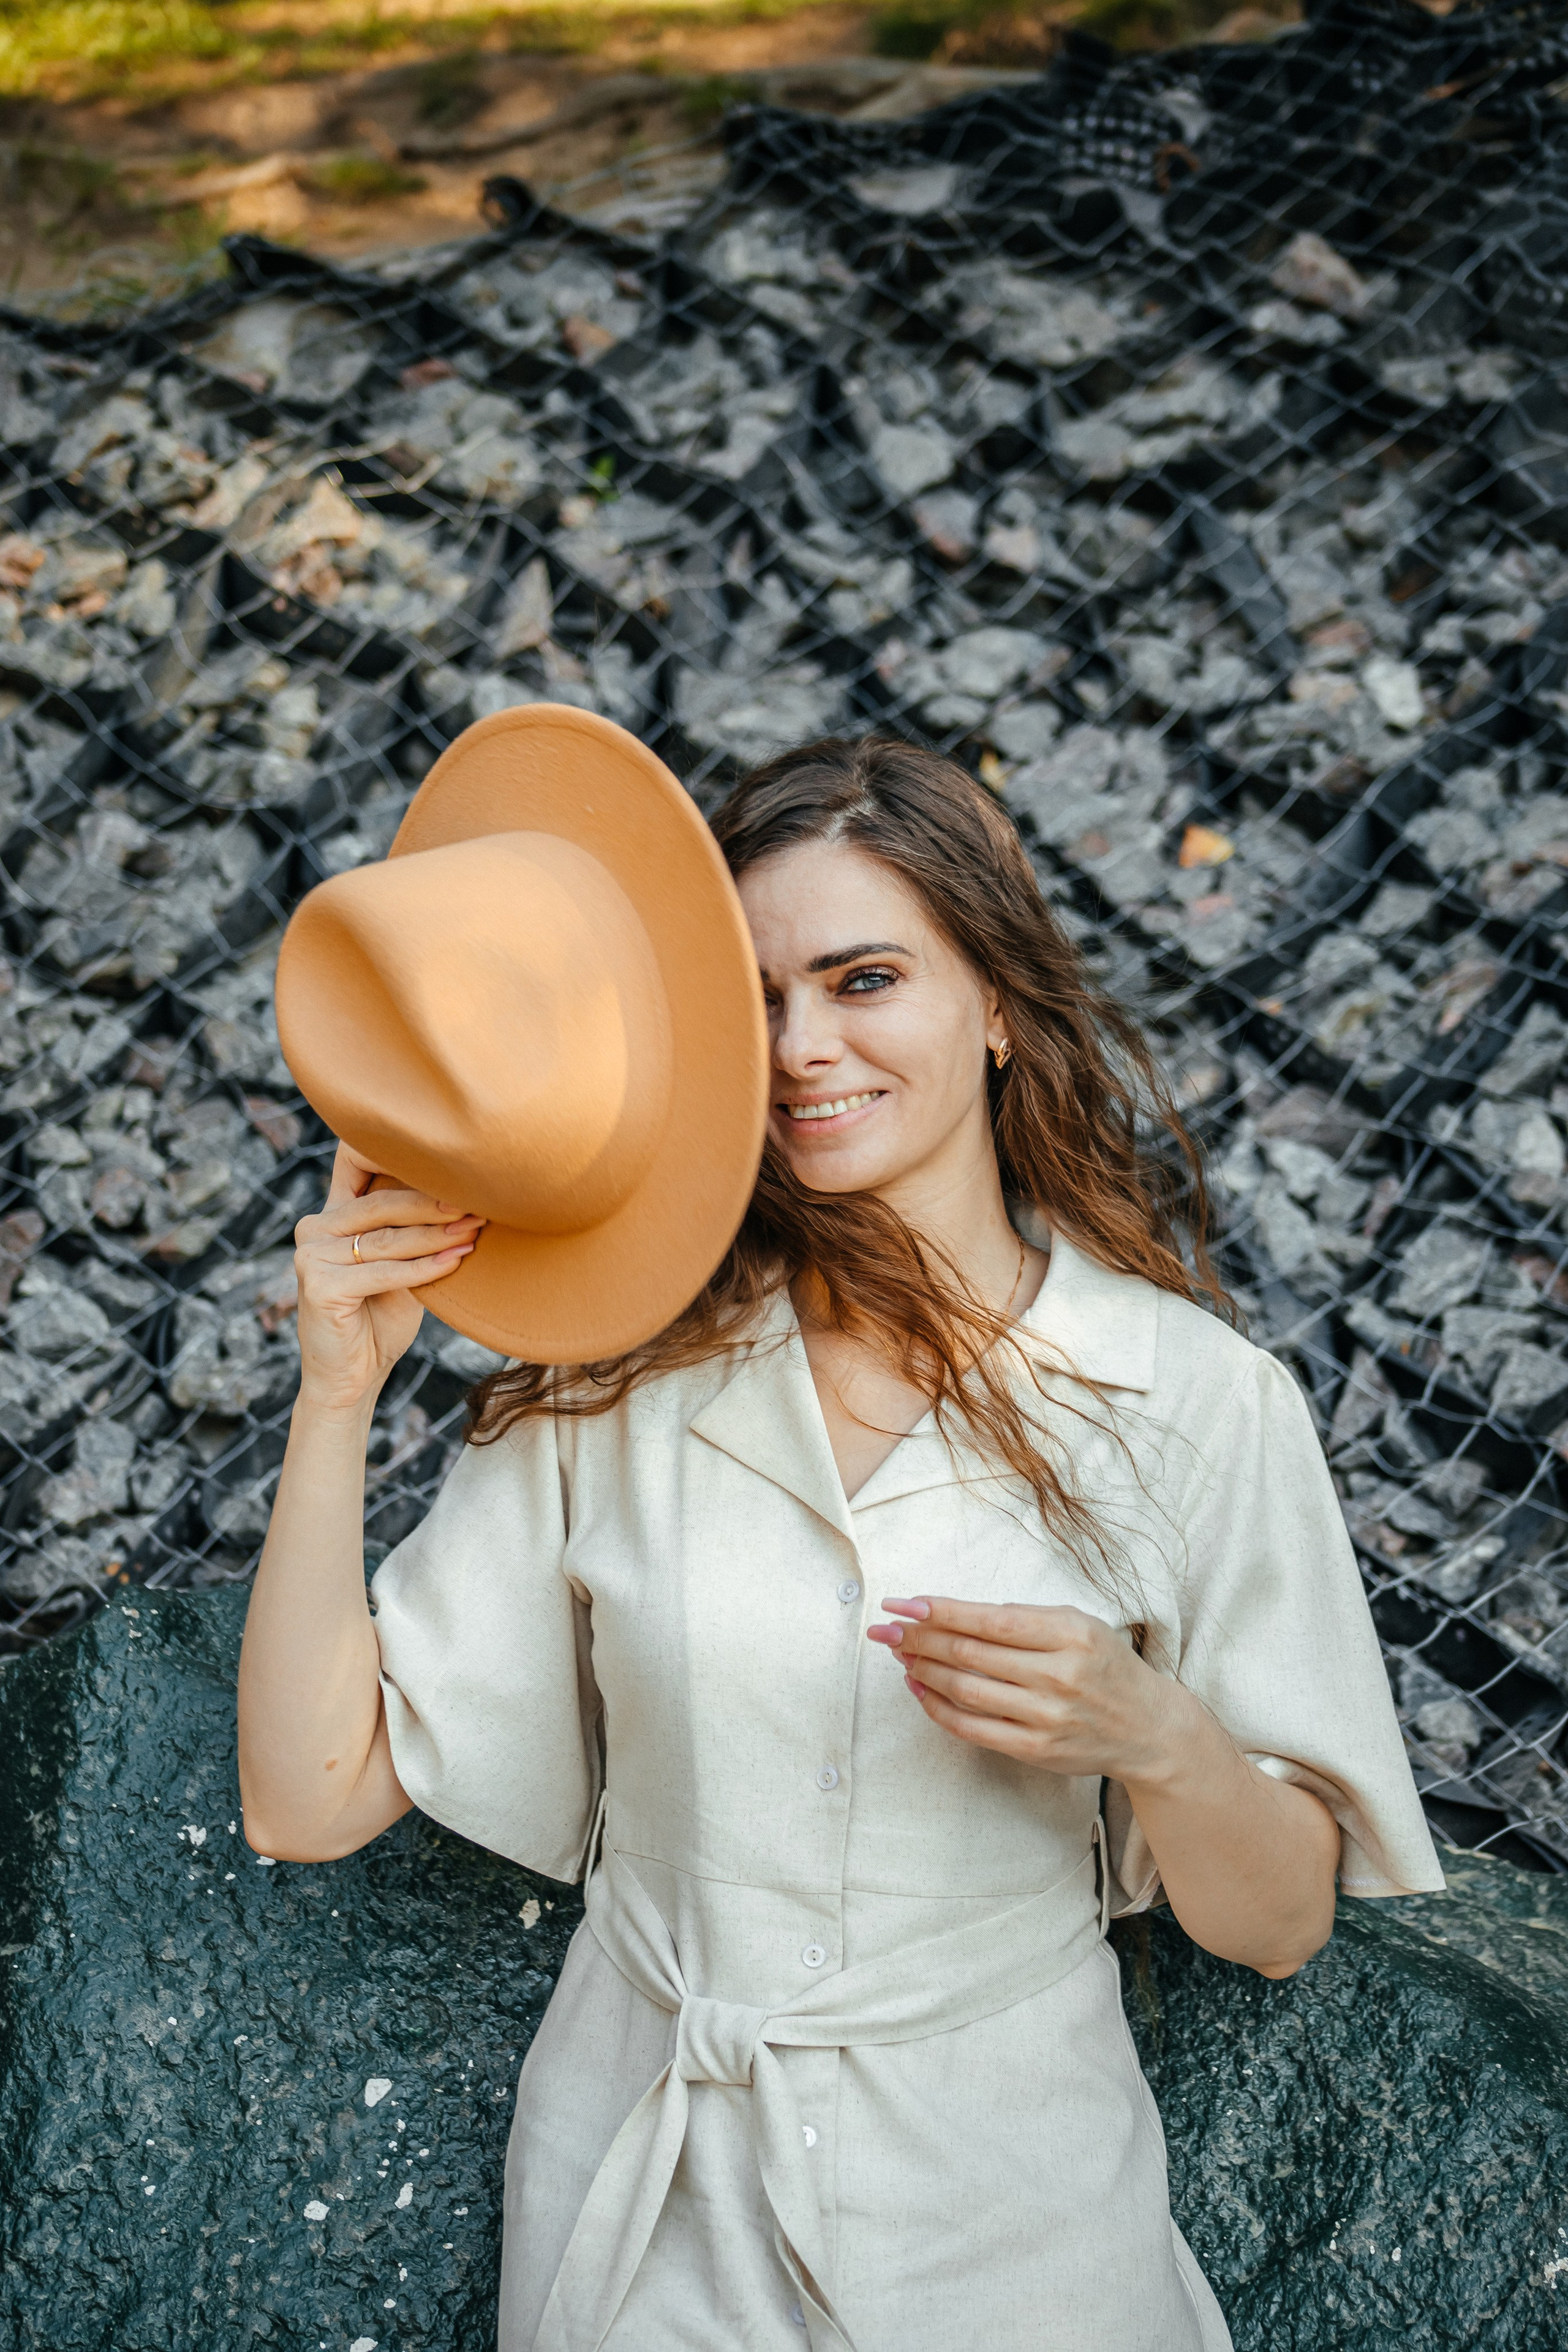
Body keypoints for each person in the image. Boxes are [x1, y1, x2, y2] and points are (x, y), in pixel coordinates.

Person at [238, 732, 1444, 2352]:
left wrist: (1151, 1736)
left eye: (864, 978)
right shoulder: (617, 1374)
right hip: (647, 2214)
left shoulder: (1197, 1399)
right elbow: (306, 1796)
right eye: (755, 999)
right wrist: (334, 1400)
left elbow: (1283, 1919)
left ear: (1000, 1003)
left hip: (1015, 2226)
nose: (805, 1048)